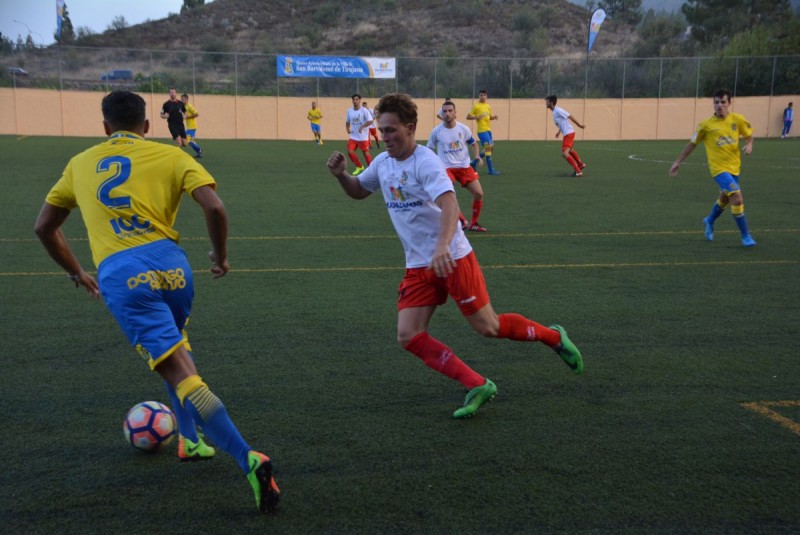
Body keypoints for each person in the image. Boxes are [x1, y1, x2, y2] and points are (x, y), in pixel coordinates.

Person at [34, 90, 281, 514]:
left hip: (124, 275)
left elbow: (44, 227)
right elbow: (215, 207)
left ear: (105, 127)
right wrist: (220, 256)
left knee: (181, 372)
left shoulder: (80, 163)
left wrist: (76, 272)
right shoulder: (171, 155)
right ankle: (189, 440)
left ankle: (248, 458)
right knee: (176, 345)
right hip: (174, 269)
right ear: (148, 126)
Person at [326, 93, 583, 420]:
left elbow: (449, 203)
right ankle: (477, 383)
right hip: (419, 265)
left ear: (411, 127)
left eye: (391, 130)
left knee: (488, 327)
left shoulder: (425, 161)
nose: (385, 136)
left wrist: (443, 246)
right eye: (382, 130)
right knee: (408, 335)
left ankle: (554, 336)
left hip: (453, 258)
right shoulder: (383, 163)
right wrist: (342, 176)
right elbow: (359, 191)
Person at [669, 88, 756, 247]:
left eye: (723, 102)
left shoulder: (737, 120)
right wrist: (677, 162)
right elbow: (692, 144)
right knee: (737, 198)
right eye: (716, 102)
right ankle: (746, 236)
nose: (719, 105)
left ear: (729, 103)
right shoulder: (706, 125)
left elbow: (749, 136)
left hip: (735, 168)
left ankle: (709, 221)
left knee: (725, 198)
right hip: (718, 169)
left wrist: (749, 144)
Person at [427, 99, 487, 232]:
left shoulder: (463, 129)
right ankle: (462, 220)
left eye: (450, 111)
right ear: (441, 114)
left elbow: (474, 143)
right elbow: (429, 149)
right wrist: (432, 164)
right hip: (446, 168)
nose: (447, 113)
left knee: (479, 193)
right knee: (447, 196)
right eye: (444, 111)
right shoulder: (436, 131)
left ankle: (473, 223)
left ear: (455, 113)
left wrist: (477, 156)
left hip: (464, 167)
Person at [545, 95, 586, 177]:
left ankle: (578, 171)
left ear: (552, 103)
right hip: (568, 133)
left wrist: (579, 125)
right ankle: (580, 164)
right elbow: (562, 123)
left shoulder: (558, 110)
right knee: (570, 150)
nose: (546, 103)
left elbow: (569, 116)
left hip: (569, 133)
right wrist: (559, 132)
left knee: (564, 153)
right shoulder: (554, 112)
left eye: (547, 101)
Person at [467, 89, 500, 175]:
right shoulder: (476, 106)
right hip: (482, 131)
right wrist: (476, 117)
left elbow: (489, 117)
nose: (483, 97)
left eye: (484, 95)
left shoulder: (488, 106)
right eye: (481, 95)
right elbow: (468, 116)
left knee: (490, 148)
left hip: (488, 130)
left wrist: (494, 117)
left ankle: (474, 162)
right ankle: (490, 170)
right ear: (479, 96)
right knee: (488, 148)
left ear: (486, 96)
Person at [160, 87, 199, 158]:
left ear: (176, 93)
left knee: (185, 143)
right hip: (172, 125)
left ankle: (174, 151)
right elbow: (161, 115)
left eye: (173, 92)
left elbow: (185, 112)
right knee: (179, 142)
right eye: (171, 92)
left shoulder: (181, 103)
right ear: (169, 94)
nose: (172, 94)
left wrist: (185, 116)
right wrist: (165, 116)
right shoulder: (166, 104)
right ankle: (176, 157)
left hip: (181, 125)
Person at [345, 93, 374, 175]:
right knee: (350, 151)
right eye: (354, 100)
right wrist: (347, 128)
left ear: (360, 100)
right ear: (352, 101)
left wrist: (362, 126)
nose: (355, 101)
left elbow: (370, 121)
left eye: (357, 99)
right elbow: (347, 121)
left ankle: (372, 170)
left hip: (363, 137)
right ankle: (359, 166)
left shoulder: (364, 111)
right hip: (353, 136)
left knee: (366, 153)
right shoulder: (349, 111)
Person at [181, 93, 203, 158]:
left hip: (192, 127)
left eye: (183, 99)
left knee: (187, 140)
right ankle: (199, 152)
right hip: (189, 127)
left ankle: (199, 149)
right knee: (188, 140)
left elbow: (197, 114)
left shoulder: (190, 106)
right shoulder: (184, 107)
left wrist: (187, 117)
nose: (181, 101)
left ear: (187, 99)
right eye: (181, 99)